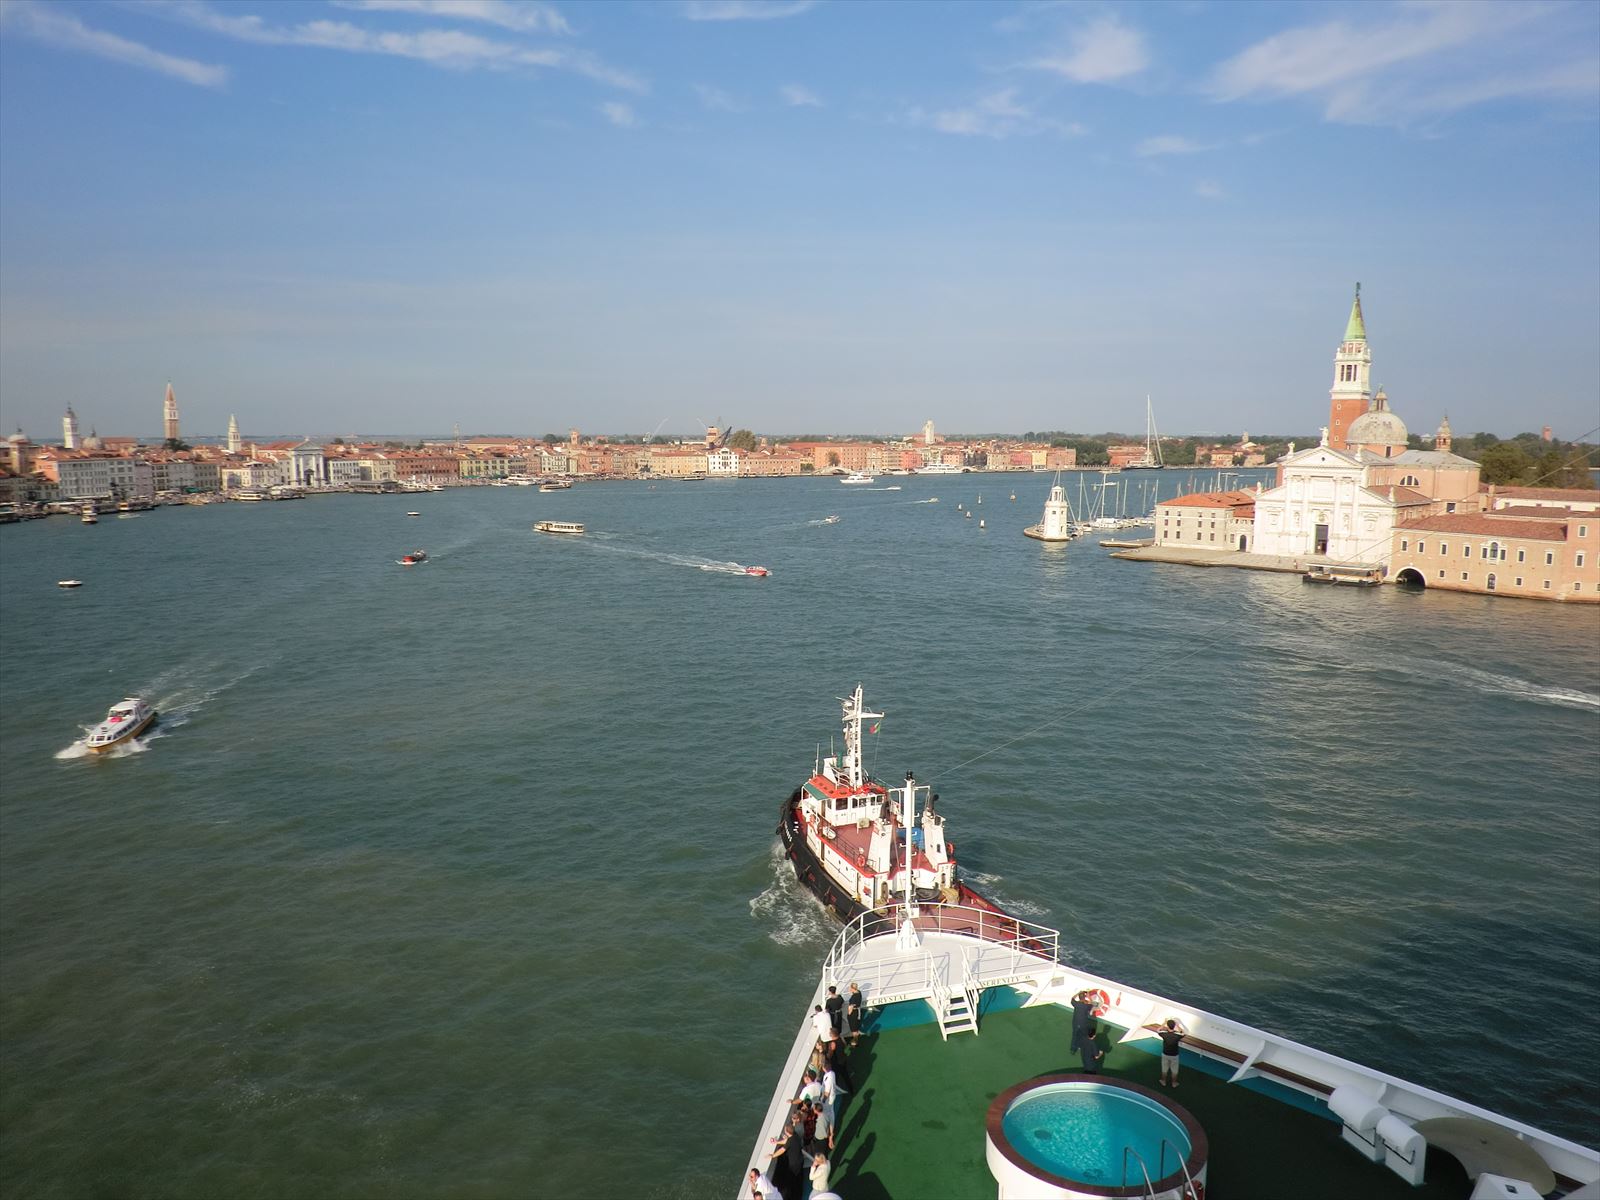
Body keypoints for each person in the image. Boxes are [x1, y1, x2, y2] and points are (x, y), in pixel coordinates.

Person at [1157, 1018, 1188, 1087]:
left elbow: (1158, 1030)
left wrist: (1164, 1022)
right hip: (1174, 1055)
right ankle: (1174, 1083)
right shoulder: (1177, 1035)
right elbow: (1184, 1033)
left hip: (1165, 1054)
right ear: (1174, 1026)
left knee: (1164, 1069)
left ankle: (1163, 1081)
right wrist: (1178, 1025)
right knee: (1174, 1070)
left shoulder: (1164, 1034)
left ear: (1167, 1026)